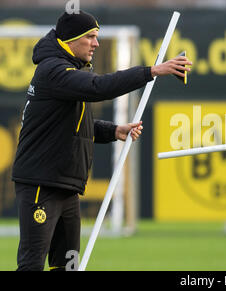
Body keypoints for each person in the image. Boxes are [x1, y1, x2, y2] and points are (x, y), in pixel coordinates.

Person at [11, 10, 192, 271]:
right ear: (72, 39)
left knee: (67, 266)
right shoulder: (53, 70)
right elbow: (99, 88)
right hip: (41, 184)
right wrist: (152, 71)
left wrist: (114, 130)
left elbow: (72, 127)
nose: (96, 43)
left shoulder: (68, 70)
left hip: (65, 186)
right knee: (31, 265)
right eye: (91, 37)